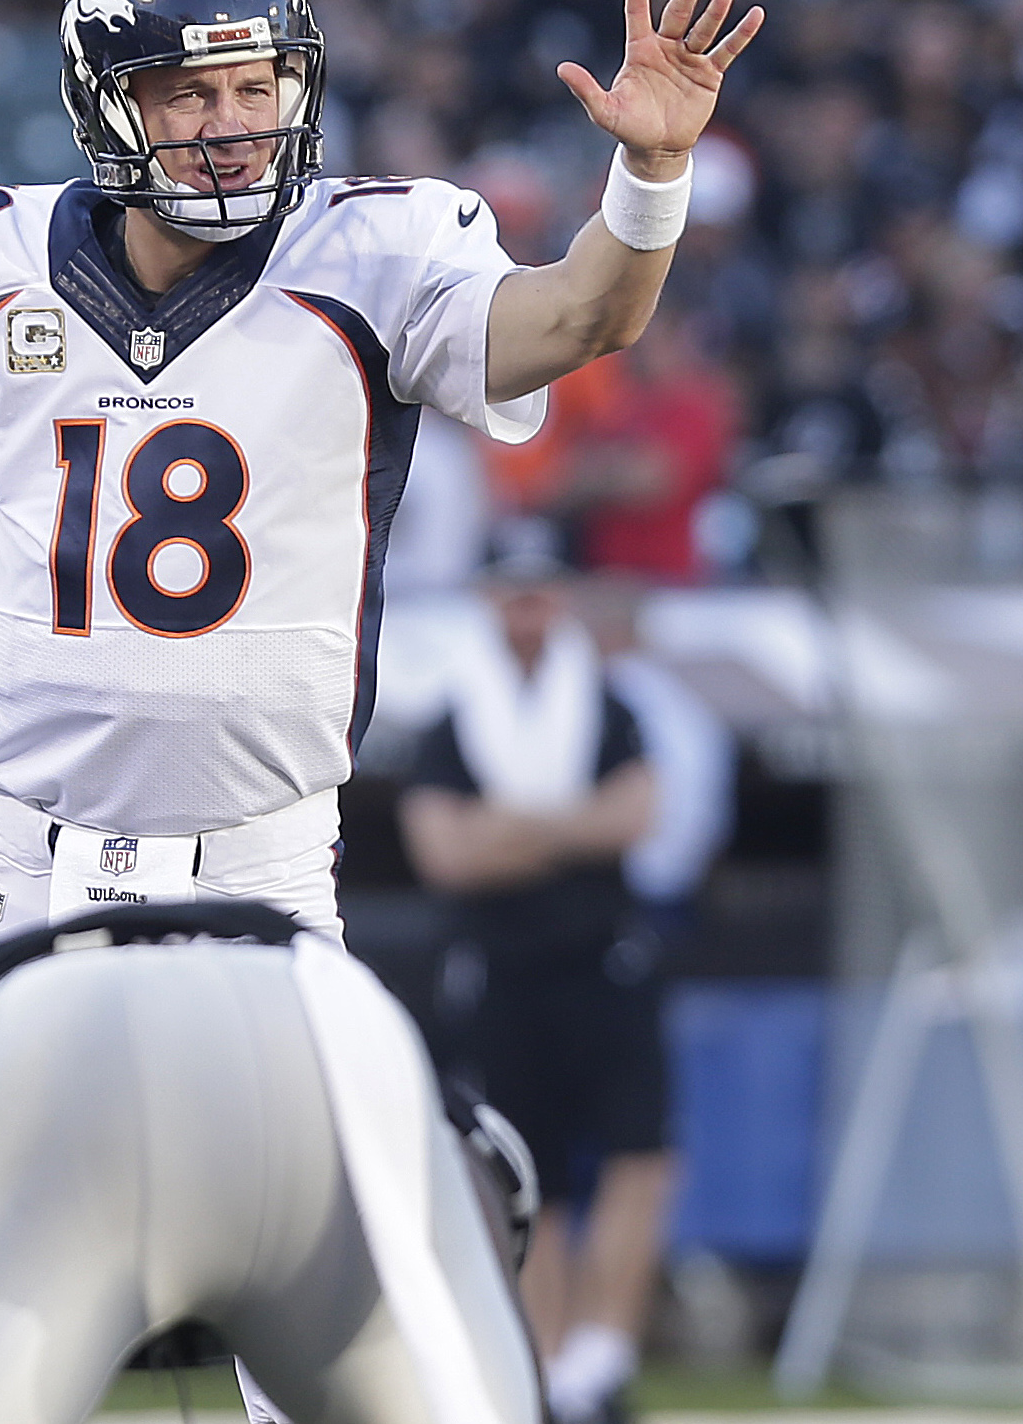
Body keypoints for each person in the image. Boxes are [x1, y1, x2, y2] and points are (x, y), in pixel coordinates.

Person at [0, 0, 765, 1097]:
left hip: (261, 884)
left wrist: (650, 172)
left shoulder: (375, 250)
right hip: (26, 873)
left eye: (254, 85)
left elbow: (584, 315)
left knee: (323, 1257)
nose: (230, 127)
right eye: (186, 94)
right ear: (103, 102)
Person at [0, 901, 542, 1424]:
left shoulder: (1, 1043)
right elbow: (485, 1189)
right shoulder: (355, 1023)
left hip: (50, 1079)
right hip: (313, 1045)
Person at [397, 556, 666, 1424]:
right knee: (526, 1173)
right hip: (503, 971)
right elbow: (444, 852)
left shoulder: (608, 708)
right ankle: (544, 1366)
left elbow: (636, 816)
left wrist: (512, 827)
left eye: (542, 590)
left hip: (605, 961)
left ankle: (600, 1357)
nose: (527, 610)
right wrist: (572, 826)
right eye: (512, 592)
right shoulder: (456, 718)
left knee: (641, 1151)